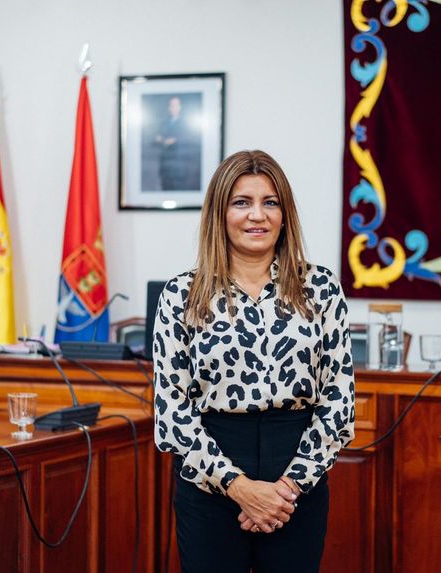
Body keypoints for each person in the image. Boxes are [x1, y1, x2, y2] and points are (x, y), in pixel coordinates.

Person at [152, 149, 355, 572]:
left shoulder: (320, 288)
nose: (256, 216)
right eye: (241, 202)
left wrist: (288, 487)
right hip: (210, 475)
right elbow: (172, 411)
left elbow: (339, 399)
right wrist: (238, 487)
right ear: (220, 213)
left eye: (270, 202)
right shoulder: (182, 294)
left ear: (285, 214)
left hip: (297, 473)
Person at [155, 95, 200, 190]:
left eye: (175, 105)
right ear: (169, 108)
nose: (173, 108)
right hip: (165, 167)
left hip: (179, 167)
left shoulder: (186, 123)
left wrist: (175, 140)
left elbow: (190, 139)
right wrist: (161, 140)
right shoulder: (164, 123)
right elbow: (157, 139)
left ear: (180, 107)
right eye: (171, 105)